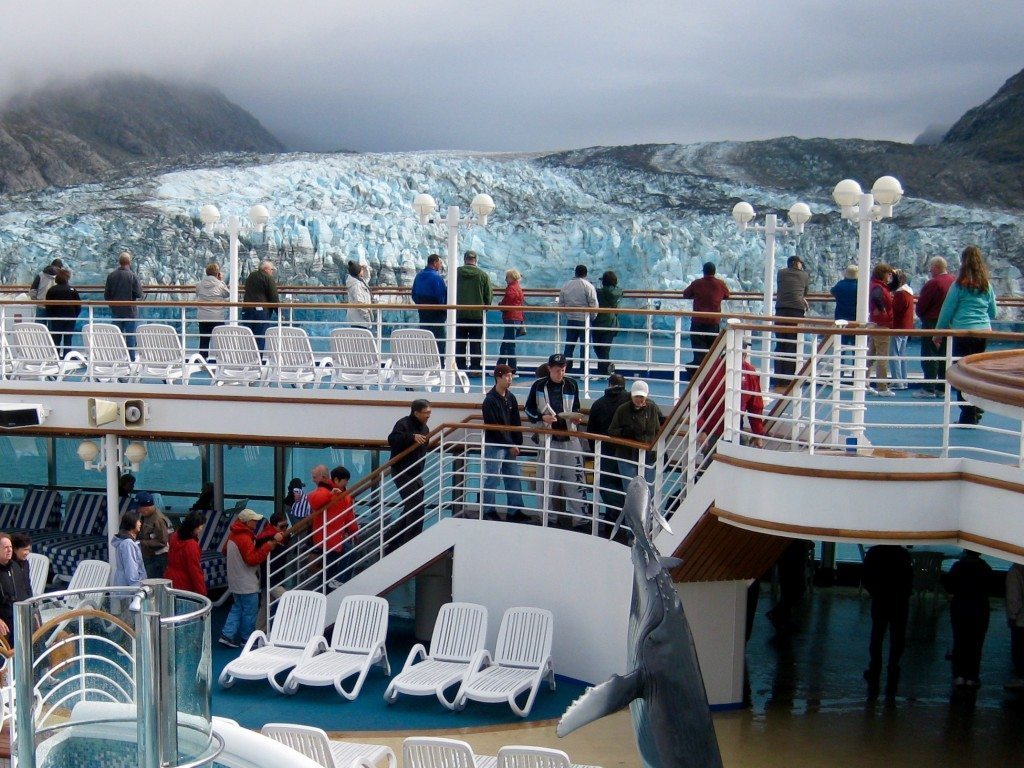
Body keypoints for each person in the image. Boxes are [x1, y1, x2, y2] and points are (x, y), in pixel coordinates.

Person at [934, 245, 997, 425]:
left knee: (961, 373)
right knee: (978, 372)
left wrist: (938, 333)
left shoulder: (959, 285)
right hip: (983, 333)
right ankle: (977, 407)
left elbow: (947, 310)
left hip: (962, 332)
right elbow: (993, 312)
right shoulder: (987, 286)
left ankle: (968, 412)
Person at [524, 353, 588, 527]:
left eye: (564, 369)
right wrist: (541, 417)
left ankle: (581, 519)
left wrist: (576, 418)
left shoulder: (572, 384)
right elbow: (528, 409)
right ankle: (547, 518)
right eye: (558, 369)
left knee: (576, 478)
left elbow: (575, 407)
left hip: (570, 437)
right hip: (548, 439)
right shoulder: (539, 386)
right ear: (550, 369)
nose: (561, 372)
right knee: (546, 481)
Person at [219, 509, 282, 648]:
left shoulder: (233, 535)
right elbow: (252, 560)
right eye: (254, 520)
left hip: (235, 580)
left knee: (237, 607)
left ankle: (227, 634)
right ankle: (246, 638)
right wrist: (267, 547)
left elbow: (224, 551)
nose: (256, 522)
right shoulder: (245, 538)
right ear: (247, 522)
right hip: (247, 581)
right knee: (250, 611)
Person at [861, 545, 913, 700]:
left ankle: (875, 667)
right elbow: (909, 577)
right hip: (899, 601)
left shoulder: (874, 552)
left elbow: (866, 576)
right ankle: (893, 666)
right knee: (897, 636)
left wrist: (874, 592)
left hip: (880, 598)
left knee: (877, 634)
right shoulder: (903, 554)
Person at [482, 364, 527, 522]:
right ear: (498, 377)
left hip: (508, 443)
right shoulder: (490, 400)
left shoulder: (510, 397)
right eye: (507, 376)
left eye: (511, 376)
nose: (510, 379)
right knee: (493, 478)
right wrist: (511, 444)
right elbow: (494, 427)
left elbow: (515, 422)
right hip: (495, 444)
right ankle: (488, 511)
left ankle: (515, 511)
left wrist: (517, 442)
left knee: (513, 477)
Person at [696, 349, 766, 450]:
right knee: (712, 461)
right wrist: (701, 430)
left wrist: (758, 433)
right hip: (712, 430)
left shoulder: (749, 372)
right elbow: (698, 402)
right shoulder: (710, 369)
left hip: (736, 429)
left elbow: (755, 406)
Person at [946, 549, 993, 688]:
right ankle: (972, 676)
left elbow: (949, 584)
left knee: (960, 641)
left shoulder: (958, 566)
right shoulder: (985, 568)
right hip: (979, 609)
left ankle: (959, 675)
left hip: (960, 607)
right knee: (976, 643)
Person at [387, 400, 432, 547]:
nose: (428, 415)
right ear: (416, 413)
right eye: (426, 413)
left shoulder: (425, 429)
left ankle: (391, 539)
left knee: (412, 507)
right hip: (402, 471)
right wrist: (411, 437)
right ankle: (410, 542)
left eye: (429, 412)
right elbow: (392, 439)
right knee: (415, 507)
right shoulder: (403, 424)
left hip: (415, 473)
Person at [587, 373, 631, 517]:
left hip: (604, 451)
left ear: (609, 385)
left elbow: (591, 431)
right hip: (630, 453)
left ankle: (615, 515)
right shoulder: (632, 401)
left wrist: (596, 450)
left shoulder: (598, 404)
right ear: (625, 385)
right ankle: (626, 516)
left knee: (605, 484)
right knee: (628, 486)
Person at [306, 465, 358, 588]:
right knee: (348, 554)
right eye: (345, 481)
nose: (313, 480)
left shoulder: (343, 495)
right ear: (336, 480)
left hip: (332, 537)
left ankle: (327, 589)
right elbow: (314, 501)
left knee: (330, 568)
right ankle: (337, 582)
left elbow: (349, 515)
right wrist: (331, 494)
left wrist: (354, 531)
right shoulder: (326, 491)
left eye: (314, 477)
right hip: (328, 538)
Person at [608, 380, 664, 483]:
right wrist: (624, 432)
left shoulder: (652, 408)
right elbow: (611, 431)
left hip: (648, 455)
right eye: (636, 396)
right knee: (630, 487)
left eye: (641, 397)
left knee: (649, 488)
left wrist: (659, 450)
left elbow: (657, 430)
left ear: (646, 396)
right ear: (631, 395)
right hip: (627, 454)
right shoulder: (622, 409)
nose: (639, 399)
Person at [915, 256, 955, 398]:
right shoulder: (953, 282)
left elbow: (922, 305)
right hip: (950, 323)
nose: (930, 270)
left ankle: (929, 387)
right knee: (946, 354)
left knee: (930, 354)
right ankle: (942, 387)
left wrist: (921, 314)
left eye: (931, 267)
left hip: (932, 321)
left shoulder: (934, 283)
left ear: (937, 267)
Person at [682, 262, 730, 371]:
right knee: (712, 351)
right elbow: (727, 295)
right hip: (713, 323)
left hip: (698, 322)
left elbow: (686, 294)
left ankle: (697, 372)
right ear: (714, 272)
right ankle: (710, 374)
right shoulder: (720, 284)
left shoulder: (697, 283)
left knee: (699, 352)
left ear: (703, 272)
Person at [773, 256, 811, 388]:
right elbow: (804, 292)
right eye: (800, 263)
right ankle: (789, 378)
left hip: (780, 310)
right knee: (792, 345)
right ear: (796, 263)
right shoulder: (804, 275)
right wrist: (803, 299)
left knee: (780, 343)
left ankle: (778, 377)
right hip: (796, 311)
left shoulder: (780, 273)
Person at [455, 250, 493, 374]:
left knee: (460, 342)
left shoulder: (456, 273)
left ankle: (460, 368)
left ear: (465, 259)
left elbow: (448, 291)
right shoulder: (482, 275)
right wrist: (484, 308)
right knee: (475, 343)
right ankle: (475, 369)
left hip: (459, 313)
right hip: (477, 315)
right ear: (475, 260)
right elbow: (488, 295)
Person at [558, 265, 598, 372]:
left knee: (569, 347)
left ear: (575, 272)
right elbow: (594, 303)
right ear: (585, 274)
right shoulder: (588, 286)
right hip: (584, 320)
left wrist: (567, 314)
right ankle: (584, 371)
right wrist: (592, 317)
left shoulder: (566, 285)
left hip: (571, 319)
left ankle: (565, 370)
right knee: (585, 347)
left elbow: (561, 303)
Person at [104, 251, 145, 355]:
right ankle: (131, 360)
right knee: (130, 337)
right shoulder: (132, 276)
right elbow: (139, 294)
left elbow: (106, 295)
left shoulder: (111, 276)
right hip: (130, 311)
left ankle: (116, 359)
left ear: (119, 262)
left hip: (116, 311)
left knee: (117, 337)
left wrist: (112, 305)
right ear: (129, 262)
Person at [867, 263, 895, 396]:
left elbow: (894, 285)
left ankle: (864, 382)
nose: (890, 276)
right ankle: (882, 387)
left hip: (875, 323)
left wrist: (894, 274)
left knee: (870, 355)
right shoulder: (879, 287)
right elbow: (876, 297)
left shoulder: (877, 285)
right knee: (882, 357)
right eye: (888, 273)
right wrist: (882, 309)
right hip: (881, 324)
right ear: (882, 274)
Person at [164, 511, 207, 596]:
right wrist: (202, 592)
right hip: (185, 583)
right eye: (200, 527)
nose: (201, 529)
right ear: (194, 527)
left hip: (170, 578)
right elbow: (195, 571)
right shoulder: (191, 545)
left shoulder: (175, 536)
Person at [411, 254, 447, 355]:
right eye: (440, 263)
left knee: (425, 338)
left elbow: (414, 294)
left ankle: (426, 362)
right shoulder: (436, 278)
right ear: (435, 263)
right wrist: (444, 311)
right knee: (439, 340)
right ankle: (440, 362)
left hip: (423, 313)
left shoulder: (419, 276)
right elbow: (441, 297)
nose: (440, 265)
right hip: (437, 315)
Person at [242, 260, 279, 351]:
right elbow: (273, 296)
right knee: (260, 337)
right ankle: (258, 361)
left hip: (247, 310)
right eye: (271, 269)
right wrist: (279, 312)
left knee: (248, 337)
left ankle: (249, 360)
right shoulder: (268, 278)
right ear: (266, 269)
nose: (272, 271)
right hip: (261, 312)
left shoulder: (251, 276)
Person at [195, 262, 229, 359]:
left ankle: (202, 360)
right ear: (218, 274)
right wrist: (221, 281)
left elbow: (197, 293)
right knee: (220, 340)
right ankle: (222, 360)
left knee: (204, 340)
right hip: (216, 317)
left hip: (203, 317)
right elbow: (227, 294)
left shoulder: (199, 284)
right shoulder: (220, 285)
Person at [45, 268, 82, 358]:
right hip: (70, 317)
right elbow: (78, 305)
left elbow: (48, 305)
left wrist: (51, 316)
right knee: (68, 338)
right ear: (67, 278)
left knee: (56, 338)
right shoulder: (72, 290)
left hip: (56, 317)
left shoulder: (52, 290)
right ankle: (67, 355)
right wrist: (74, 316)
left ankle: (56, 356)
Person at [0, 535, 30, 643]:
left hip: (18, 617)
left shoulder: (15, 567)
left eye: (10, 547)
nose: (9, 550)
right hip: (4, 620)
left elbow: (25, 593)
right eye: (5, 547)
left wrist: (33, 612)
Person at [593, 270, 623, 376]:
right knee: (604, 349)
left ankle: (604, 371)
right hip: (611, 324)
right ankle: (606, 370)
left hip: (598, 322)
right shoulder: (618, 292)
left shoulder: (598, 292)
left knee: (598, 348)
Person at [889, 269, 914, 389]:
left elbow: (894, 311)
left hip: (898, 326)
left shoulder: (900, 294)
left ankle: (897, 381)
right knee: (902, 354)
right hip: (906, 326)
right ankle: (903, 380)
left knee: (894, 354)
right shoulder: (908, 293)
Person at [137, 491, 170, 578]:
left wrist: (142, 543)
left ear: (147, 507)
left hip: (158, 558)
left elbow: (162, 541)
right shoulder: (144, 516)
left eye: (140, 508)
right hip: (147, 556)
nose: (139, 510)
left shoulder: (159, 520)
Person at [497, 268, 525, 373]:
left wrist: (500, 305)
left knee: (509, 344)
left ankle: (512, 369)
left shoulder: (512, 289)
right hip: (517, 317)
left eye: (507, 277)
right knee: (506, 343)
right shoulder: (517, 287)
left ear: (512, 277)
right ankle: (500, 367)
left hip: (511, 318)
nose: (505, 279)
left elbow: (507, 303)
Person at [111, 510, 146, 588]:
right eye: (138, 521)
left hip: (124, 586)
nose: (140, 524)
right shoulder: (128, 543)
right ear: (132, 522)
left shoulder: (125, 541)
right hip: (130, 589)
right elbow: (131, 569)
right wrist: (137, 588)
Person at [1004, 563, 1024, 690]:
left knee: (1020, 649)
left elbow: (1013, 595)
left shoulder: (1015, 570)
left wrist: (1012, 615)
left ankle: (1021, 678)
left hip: (1021, 619)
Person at [345, 260, 374, 329]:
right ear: (358, 272)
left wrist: (366, 268)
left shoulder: (357, 281)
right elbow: (360, 304)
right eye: (361, 270)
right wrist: (367, 318)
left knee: (358, 338)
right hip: (360, 320)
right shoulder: (357, 285)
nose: (363, 271)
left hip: (356, 319)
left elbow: (366, 278)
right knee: (361, 338)